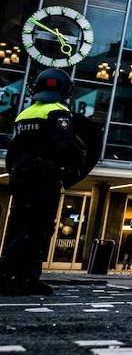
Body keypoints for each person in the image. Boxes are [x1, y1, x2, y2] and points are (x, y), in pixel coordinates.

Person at [0, 68, 102, 295]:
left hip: (21, 176)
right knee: (40, 228)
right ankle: (6, 270)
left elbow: (13, 150)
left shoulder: (25, 114)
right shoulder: (58, 112)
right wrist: (74, 168)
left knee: (20, 225)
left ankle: (26, 278)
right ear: (66, 91)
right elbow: (65, 145)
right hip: (43, 177)